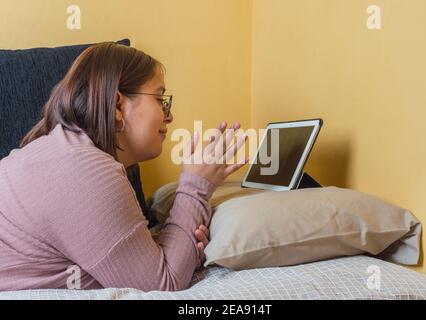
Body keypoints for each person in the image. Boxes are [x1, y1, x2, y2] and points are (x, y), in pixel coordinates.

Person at [0, 42, 248, 291]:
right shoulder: (85, 170)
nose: (169, 116)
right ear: (118, 105)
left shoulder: (66, 152)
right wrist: (196, 184)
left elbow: (126, 266)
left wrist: (182, 250)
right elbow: (161, 287)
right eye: (160, 99)